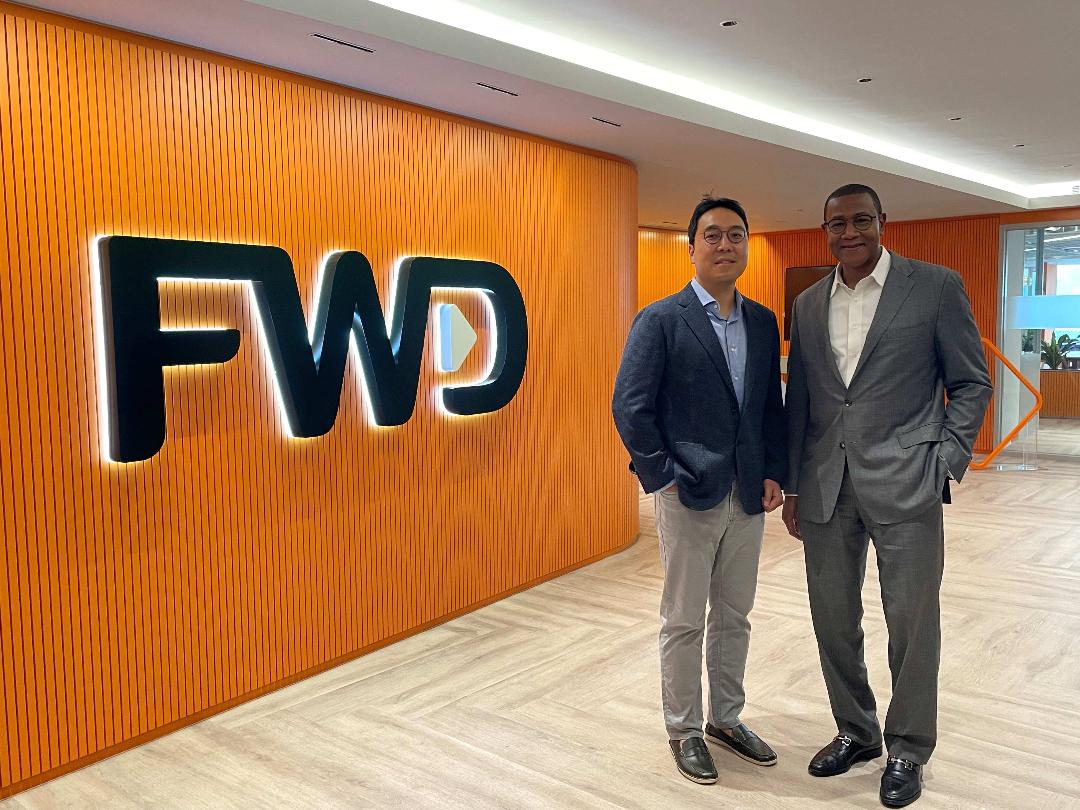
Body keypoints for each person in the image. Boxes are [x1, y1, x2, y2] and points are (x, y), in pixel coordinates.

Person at [783, 184, 992, 807]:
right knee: (832, 618)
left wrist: (945, 460)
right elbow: (803, 401)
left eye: (860, 221)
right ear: (824, 230)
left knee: (912, 622)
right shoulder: (807, 303)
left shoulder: (934, 287)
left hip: (909, 481)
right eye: (837, 224)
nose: (849, 233)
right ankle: (856, 730)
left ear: (882, 221)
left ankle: (908, 747)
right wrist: (793, 484)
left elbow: (971, 382)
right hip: (826, 483)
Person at [612, 196, 787, 784]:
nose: (725, 244)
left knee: (735, 614)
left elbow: (768, 406)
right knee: (684, 618)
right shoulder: (661, 319)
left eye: (736, 234)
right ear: (691, 249)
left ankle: (726, 719)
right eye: (712, 235)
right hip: (687, 491)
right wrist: (661, 475)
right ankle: (683, 728)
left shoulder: (762, 321)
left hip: (748, 494)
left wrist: (774, 470)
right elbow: (630, 407)